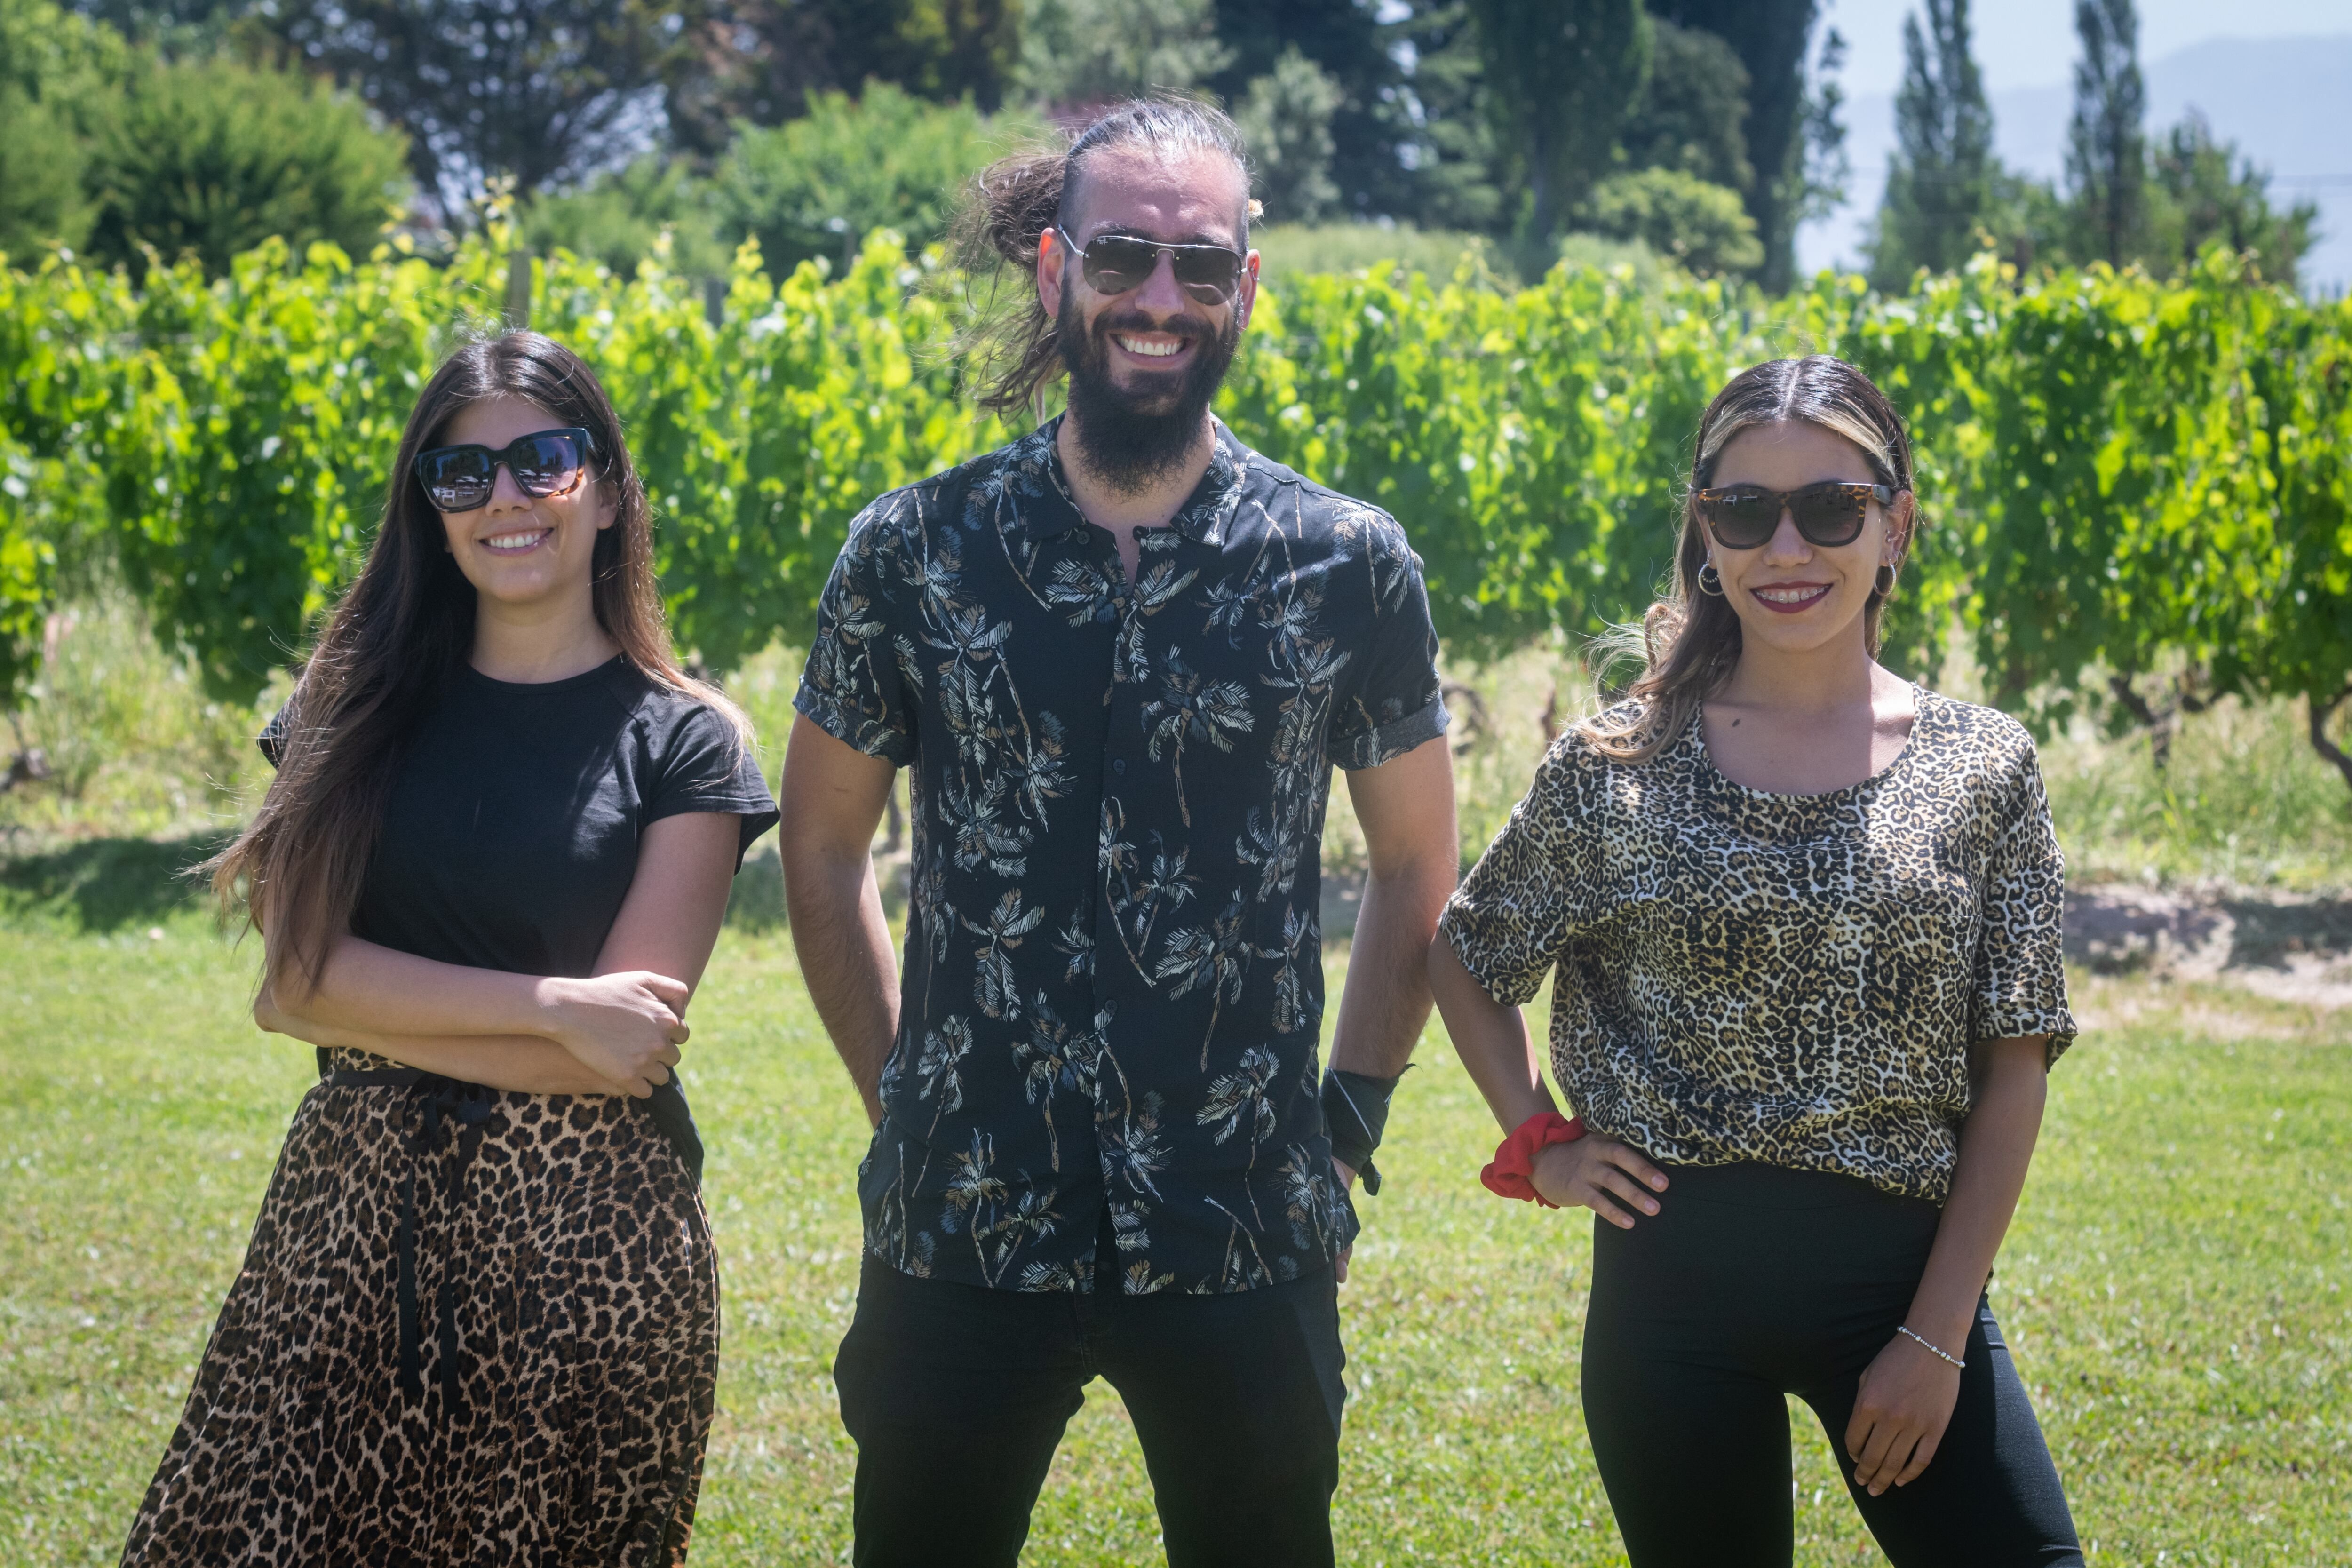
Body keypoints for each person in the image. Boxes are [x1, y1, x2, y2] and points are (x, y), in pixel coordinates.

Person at [780, 98, 1459, 1568]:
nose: (1161, 298)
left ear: (1246, 292)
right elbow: (822, 849)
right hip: (961, 1215)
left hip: (1243, 1225)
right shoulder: (914, 552)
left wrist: (1351, 1116)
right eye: (1127, 256)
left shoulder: (1345, 564)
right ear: (1053, 268)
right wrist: (903, 1091)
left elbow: (1416, 866)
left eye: (1200, 267)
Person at [121, 332, 778, 1565]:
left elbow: (624, 1055)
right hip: (349, 1228)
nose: (506, 499)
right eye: (462, 474)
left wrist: (387, 1009)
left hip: (590, 1251)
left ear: (608, 487)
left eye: (541, 461)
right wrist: (549, 1007)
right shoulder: (343, 709)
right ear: (427, 509)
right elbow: (291, 988)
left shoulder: (688, 742)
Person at [1430, 356, 2084, 1568]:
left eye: (1830, 508)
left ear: (1894, 526)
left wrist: (1938, 1338)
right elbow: (1468, 955)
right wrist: (1544, 1143)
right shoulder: (1614, 766)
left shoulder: (1987, 766)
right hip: (1666, 1311)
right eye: (1747, 512)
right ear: (1708, 539)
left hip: (1899, 1293)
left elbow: (2016, 1066)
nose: (1789, 547)